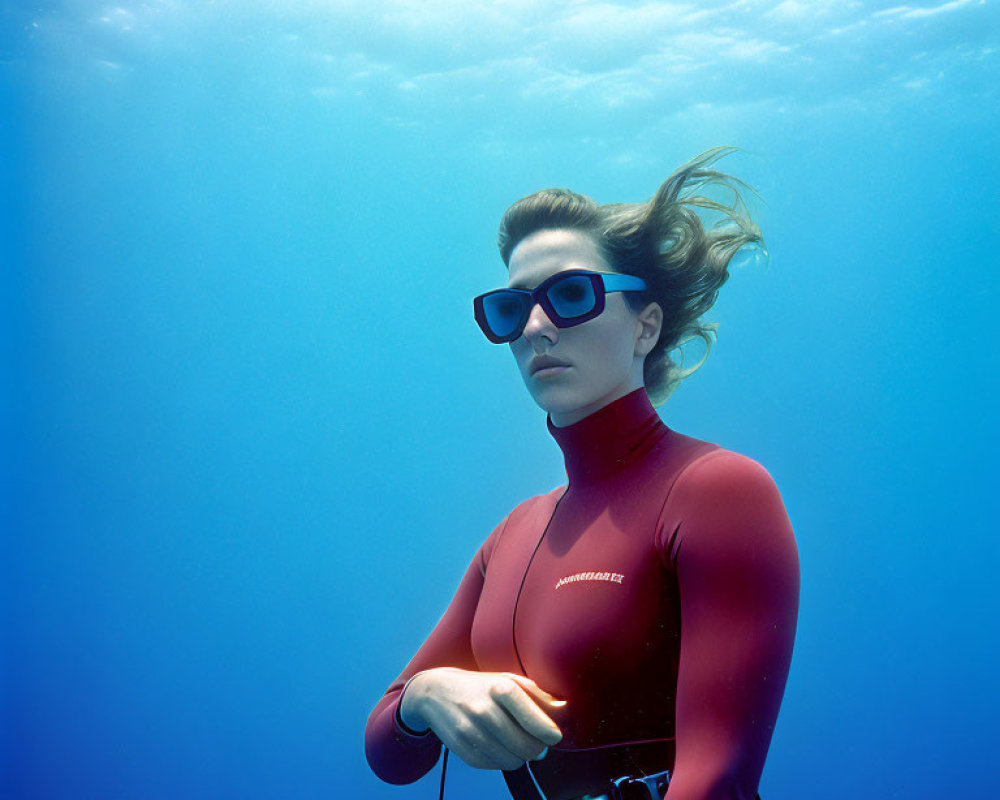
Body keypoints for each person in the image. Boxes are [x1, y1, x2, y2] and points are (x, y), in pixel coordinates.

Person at [364, 147, 800, 800]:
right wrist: (427, 694)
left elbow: (719, 779)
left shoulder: (718, 490)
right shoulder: (511, 535)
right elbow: (388, 751)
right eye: (511, 309)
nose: (536, 327)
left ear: (646, 327)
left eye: (570, 294)